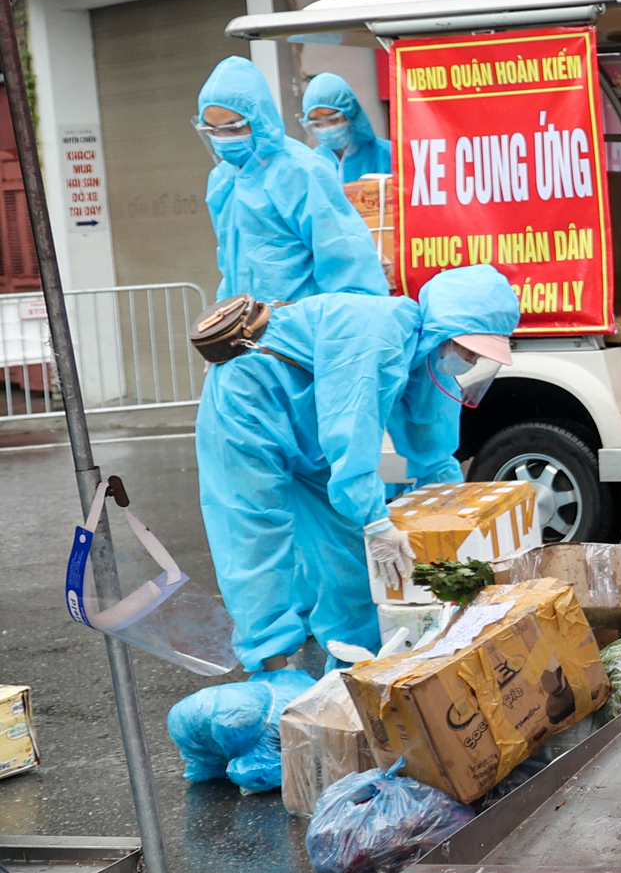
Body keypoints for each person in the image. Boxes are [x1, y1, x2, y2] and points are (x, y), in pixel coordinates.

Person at [195, 264, 520, 670]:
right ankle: (270, 672)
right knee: (257, 538)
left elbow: (431, 443)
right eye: (469, 348)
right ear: (444, 328)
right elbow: (351, 429)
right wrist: (375, 520)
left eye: (478, 354)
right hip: (247, 409)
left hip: (309, 432)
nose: (469, 360)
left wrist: (453, 509)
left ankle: (357, 664)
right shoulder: (381, 333)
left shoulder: (426, 351)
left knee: (348, 555)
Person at [195, 57, 386, 302]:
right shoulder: (222, 180)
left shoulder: (301, 171)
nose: (222, 138)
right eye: (212, 130)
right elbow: (231, 263)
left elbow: (346, 259)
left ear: (258, 119)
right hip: (249, 329)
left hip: (302, 327)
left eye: (232, 129)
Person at [299, 71, 393, 181]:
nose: (326, 128)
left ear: (351, 114)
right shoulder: (313, 163)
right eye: (317, 124)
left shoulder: (388, 154)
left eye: (333, 120)